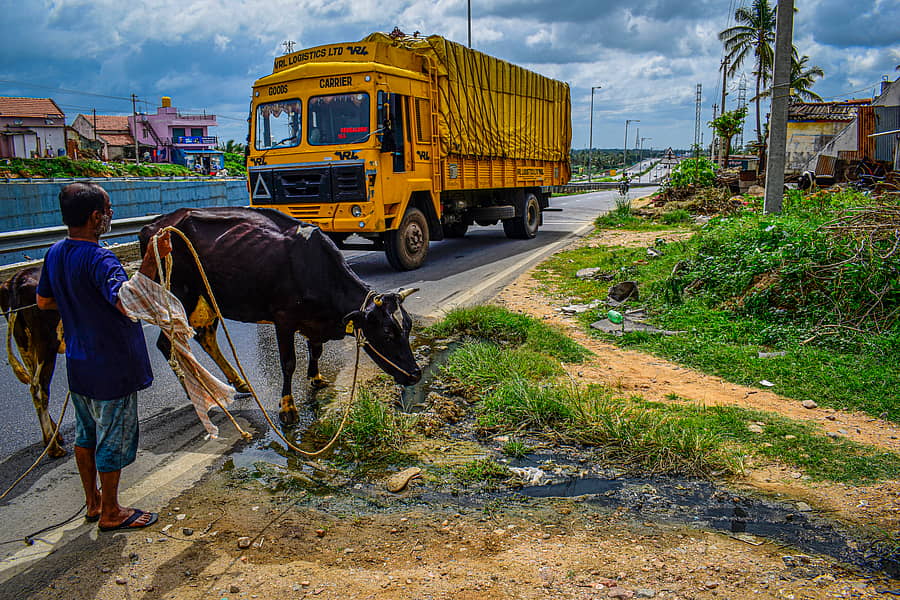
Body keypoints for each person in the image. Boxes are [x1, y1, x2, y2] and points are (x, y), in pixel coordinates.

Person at [36, 183, 172, 532]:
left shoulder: (54, 253)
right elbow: (129, 305)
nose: (109, 216)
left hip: (80, 364)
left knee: (86, 435)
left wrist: (78, 303)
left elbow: (44, 302)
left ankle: (93, 502)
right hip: (112, 366)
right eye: (107, 210)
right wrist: (151, 261)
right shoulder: (101, 259)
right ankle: (112, 512)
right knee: (113, 436)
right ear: (96, 217)